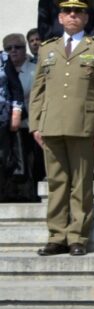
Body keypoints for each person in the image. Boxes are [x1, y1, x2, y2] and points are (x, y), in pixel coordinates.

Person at [27, 0, 94, 256]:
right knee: (57, 183)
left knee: (81, 184)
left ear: (86, 18)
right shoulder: (47, 49)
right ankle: (56, 235)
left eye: (78, 11)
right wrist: (35, 124)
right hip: (51, 124)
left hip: (84, 126)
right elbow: (38, 90)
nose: (73, 15)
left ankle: (77, 236)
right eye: (67, 11)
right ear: (60, 17)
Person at [1, 34, 31, 202]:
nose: (13, 51)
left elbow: (16, 89)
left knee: (8, 158)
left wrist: (16, 112)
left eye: (17, 47)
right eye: (10, 48)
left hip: (8, 118)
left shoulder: (4, 60)